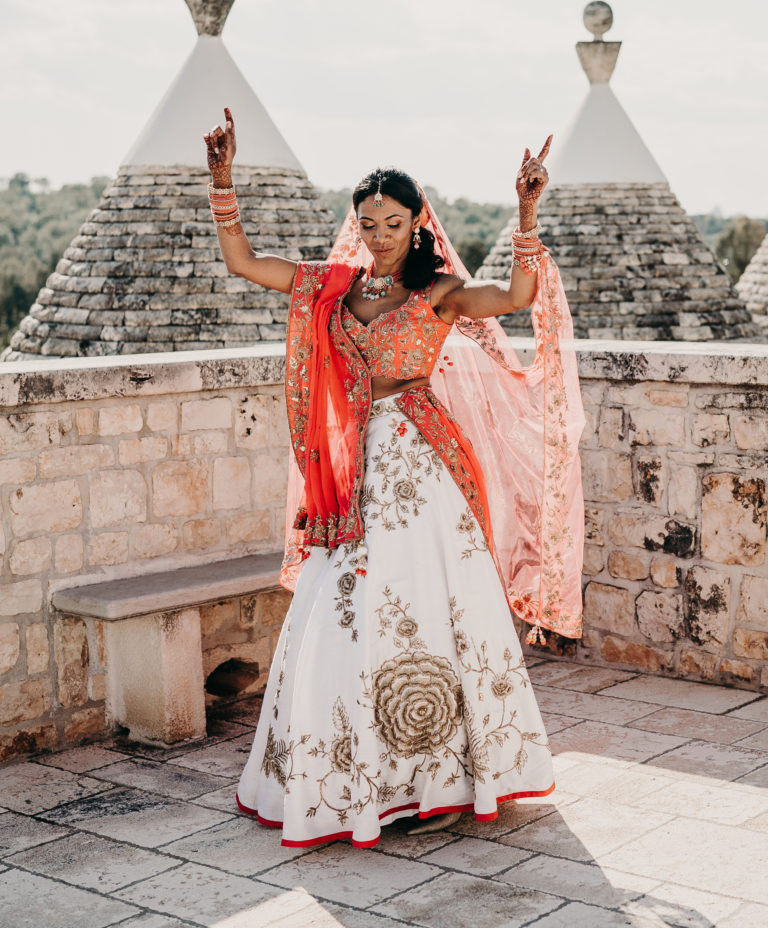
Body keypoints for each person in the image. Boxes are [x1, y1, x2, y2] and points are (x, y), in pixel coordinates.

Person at [204, 108, 585, 849]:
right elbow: (247, 264)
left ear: (418, 224)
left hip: (422, 463)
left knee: (432, 608)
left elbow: (514, 299)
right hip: (348, 474)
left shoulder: (436, 292)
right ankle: (352, 780)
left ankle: (444, 782)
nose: (379, 236)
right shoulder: (332, 288)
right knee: (345, 611)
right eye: (368, 223)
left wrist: (527, 213)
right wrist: (223, 184)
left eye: (393, 223)